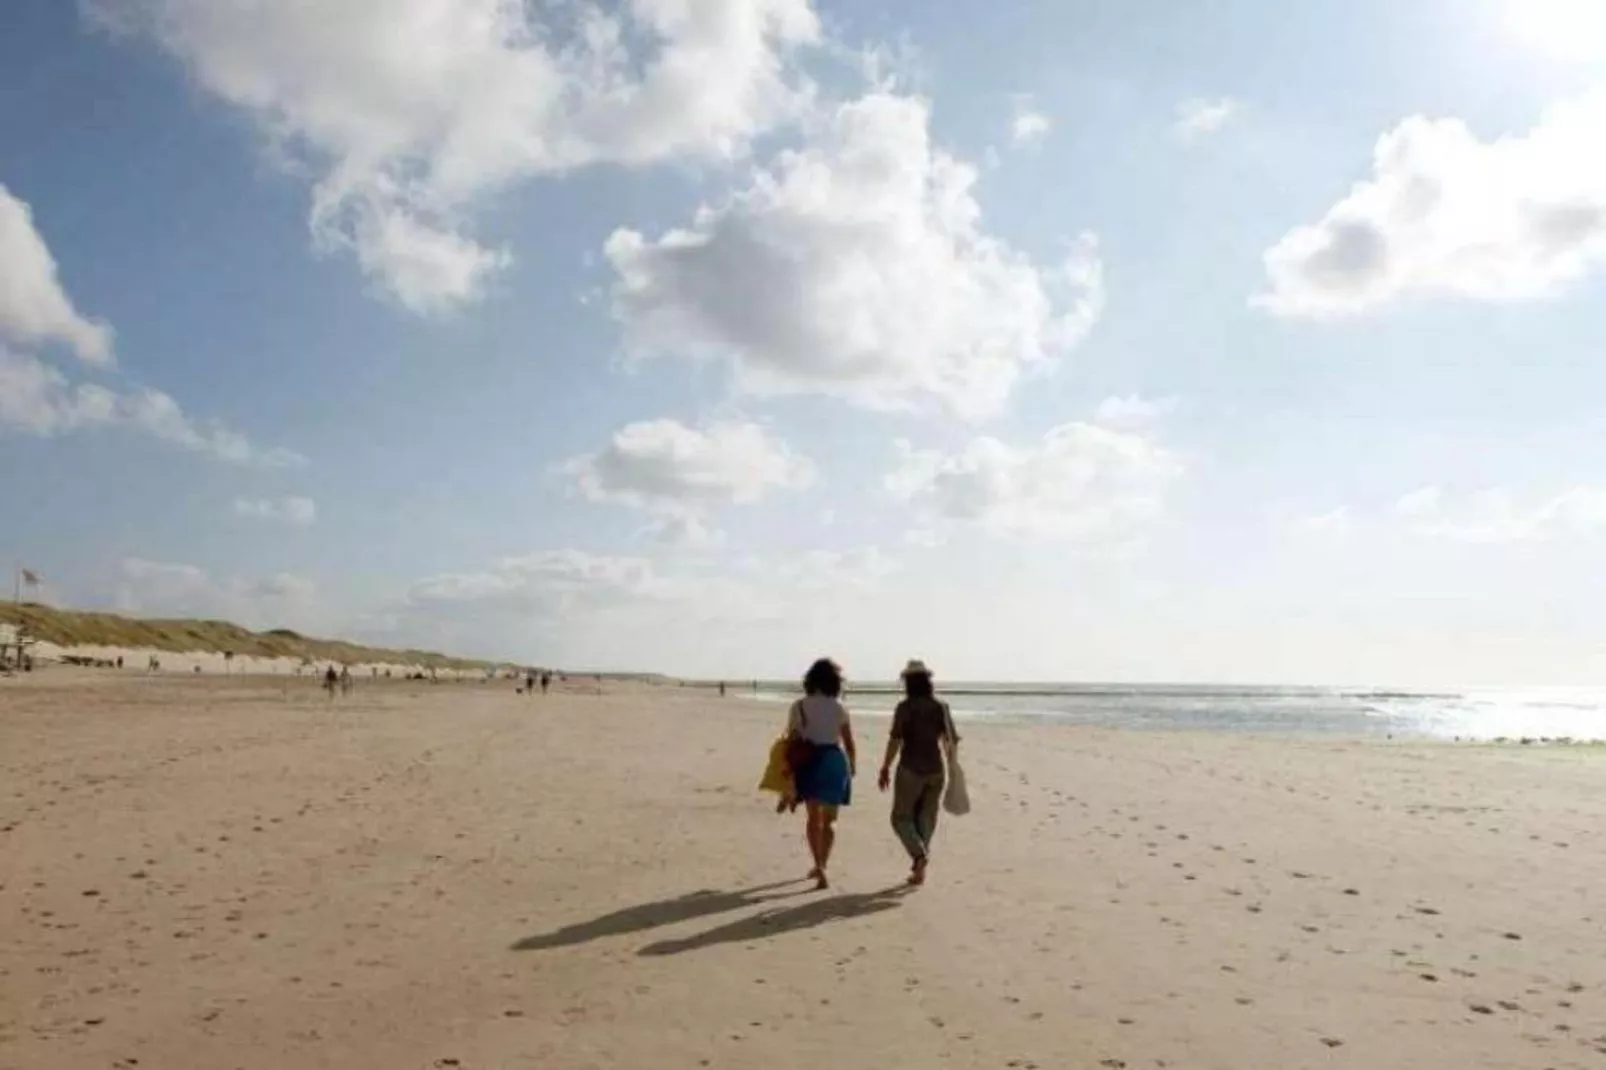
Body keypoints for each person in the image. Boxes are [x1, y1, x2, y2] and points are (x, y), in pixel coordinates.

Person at [878, 659, 959, 887]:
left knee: (900, 818)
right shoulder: (940, 707)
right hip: (936, 768)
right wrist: (953, 765)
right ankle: (919, 868)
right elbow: (951, 739)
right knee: (926, 818)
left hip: (910, 769)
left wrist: (885, 766)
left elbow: (895, 739)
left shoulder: (905, 708)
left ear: (908, 682)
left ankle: (919, 857)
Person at [787, 658, 857, 890]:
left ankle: (819, 866)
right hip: (835, 762)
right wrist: (852, 767)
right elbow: (849, 742)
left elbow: (793, 740)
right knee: (830, 820)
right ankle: (823, 864)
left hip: (810, 762)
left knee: (813, 819)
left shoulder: (798, 706)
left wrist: (787, 773)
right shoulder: (839, 707)